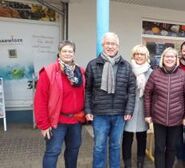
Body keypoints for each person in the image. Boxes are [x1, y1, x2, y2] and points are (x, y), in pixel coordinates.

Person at [84, 32, 136, 168]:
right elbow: (88, 90)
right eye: (108, 43)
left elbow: (131, 90)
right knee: (99, 146)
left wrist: (129, 109)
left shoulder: (126, 66)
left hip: (119, 114)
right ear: (103, 45)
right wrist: (88, 109)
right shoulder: (93, 65)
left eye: (113, 44)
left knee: (115, 146)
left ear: (118, 46)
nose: (110, 46)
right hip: (99, 114)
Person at [34, 40, 85, 168]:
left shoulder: (80, 72)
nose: (68, 53)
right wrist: (43, 125)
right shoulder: (49, 72)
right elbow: (40, 100)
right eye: (64, 51)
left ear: (74, 53)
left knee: (73, 152)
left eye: (70, 51)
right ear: (59, 53)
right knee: (53, 152)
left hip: (76, 121)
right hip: (56, 122)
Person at [144, 47, 185, 168]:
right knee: (160, 148)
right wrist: (147, 114)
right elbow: (147, 94)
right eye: (167, 56)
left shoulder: (183, 75)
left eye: (172, 56)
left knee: (171, 148)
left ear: (176, 59)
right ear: (163, 58)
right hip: (158, 118)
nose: (169, 59)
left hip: (176, 119)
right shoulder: (155, 74)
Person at [122, 44, 153, 168]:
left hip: (143, 110)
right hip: (128, 109)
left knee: (142, 137)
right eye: (137, 54)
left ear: (146, 56)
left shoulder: (151, 72)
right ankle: (127, 164)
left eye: (142, 54)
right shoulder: (126, 69)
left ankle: (140, 163)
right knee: (127, 138)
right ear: (133, 55)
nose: (139, 56)